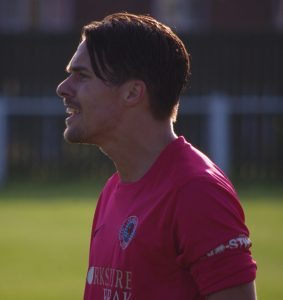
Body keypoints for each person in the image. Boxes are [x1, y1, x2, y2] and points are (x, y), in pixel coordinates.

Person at [56, 12, 257, 300]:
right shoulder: (113, 189)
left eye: (81, 76)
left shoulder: (197, 191)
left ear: (132, 92)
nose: (63, 88)